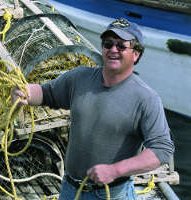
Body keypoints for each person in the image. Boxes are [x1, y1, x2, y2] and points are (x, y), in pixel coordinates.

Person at [11, 18, 174, 200]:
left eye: (121, 46)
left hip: (112, 194)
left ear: (136, 54)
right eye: (108, 44)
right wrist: (26, 93)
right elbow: (46, 93)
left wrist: (115, 170)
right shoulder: (80, 78)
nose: (113, 50)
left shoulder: (146, 99)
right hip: (70, 189)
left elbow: (162, 150)